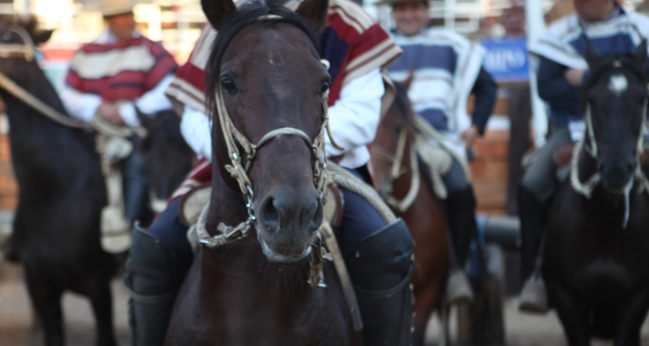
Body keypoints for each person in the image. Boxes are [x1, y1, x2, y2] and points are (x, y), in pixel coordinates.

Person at [125, 0, 415, 345]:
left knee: (385, 250)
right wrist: (241, 152)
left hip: (333, 167)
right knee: (151, 253)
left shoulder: (349, 21)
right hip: (230, 166)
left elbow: (363, 115)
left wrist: (289, 146)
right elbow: (191, 113)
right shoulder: (230, 19)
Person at [520, 0, 649, 313]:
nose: (577, 3)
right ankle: (534, 276)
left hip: (636, 128)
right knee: (531, 184)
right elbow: (548, 87)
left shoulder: (641, 29)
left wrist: (588, 78)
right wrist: (608, 86)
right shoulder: (558, 34)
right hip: (573, 128)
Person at [384, 0, 498, 305]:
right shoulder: (379, 45)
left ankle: (459, 269)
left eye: (414, 8)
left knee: (460, 187)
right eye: (401, 9)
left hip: (437, 141)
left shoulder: (452, 44)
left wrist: (476, 128)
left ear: (427, 11)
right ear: (392, 13)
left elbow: (487, 87)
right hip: (388, 143)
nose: (408, 15)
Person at [61, 0, 178, 228]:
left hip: (137, 130)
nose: (129, 20)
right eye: (121, 15)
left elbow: (170, 88)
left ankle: (129, 227)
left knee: (137, 165)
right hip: (94, 130)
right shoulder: (85, 54)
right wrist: (97, 106)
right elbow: (68, 95)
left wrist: (129, 111)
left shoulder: (148, 49)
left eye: (130, 13)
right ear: (108, 20)